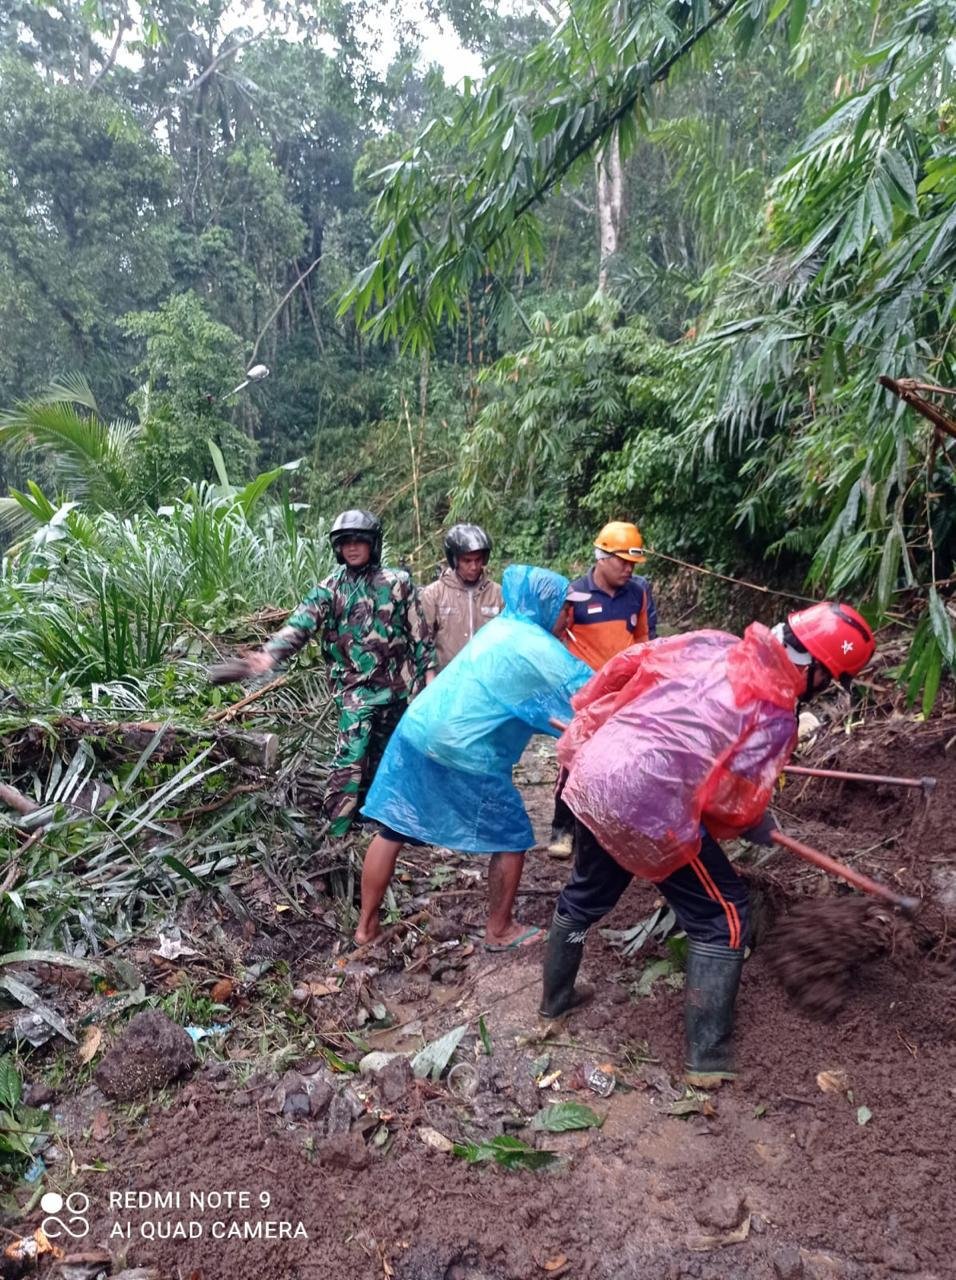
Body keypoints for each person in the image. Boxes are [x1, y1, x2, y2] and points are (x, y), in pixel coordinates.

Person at [540, 601, 876, 1086]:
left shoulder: (711, 643)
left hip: (596, 770)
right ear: (818, 671)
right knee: (724, 917)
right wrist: (754, 821)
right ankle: (707, 1060)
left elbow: (623, 667)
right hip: (648, 801)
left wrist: (594, 725)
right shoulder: (777, 713)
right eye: (831, 680)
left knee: (587, 892)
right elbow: (733, 806)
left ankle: (554, 1004)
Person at [355, 565, 593, 949]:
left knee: (393, 827)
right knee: (513, 836)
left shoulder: (501, 628)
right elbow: (589, 697)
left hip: (417, 730)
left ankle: (365, 929)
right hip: (463, 749)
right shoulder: (535, 647)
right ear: (546, 605)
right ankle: (500, 931)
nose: (571, 616)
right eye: (567, 607)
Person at [208, 509, 434, 840]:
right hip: (355, 690)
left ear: (373, 543)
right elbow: (299, 626)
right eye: (345, 543)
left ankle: (383, 824)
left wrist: (427, 677)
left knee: (387, 758)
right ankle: (336, 833)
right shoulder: (329, 589)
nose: (353, 548)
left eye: (359, 541)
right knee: (350, 758)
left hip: (398, 687)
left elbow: (420, 633)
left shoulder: (398, 584)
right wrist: (266, 657)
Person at [548, 520, 658, 858]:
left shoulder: (638, 593)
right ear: (602, 557)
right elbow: (555, 638)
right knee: (575, 760)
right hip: (585, 695)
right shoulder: (575, 595)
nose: (628, 569)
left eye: (632, 563)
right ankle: (562, 829)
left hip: (623, 694)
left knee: (620, 762)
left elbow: (643, 640)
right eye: (622, 561)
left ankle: (607, 831)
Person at [420, 523, 504, 677]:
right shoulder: (434, 594)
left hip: (486, 679)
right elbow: (423, 641)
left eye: (478, 560)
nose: (474, 566)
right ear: (455, 560)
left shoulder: (497, 594)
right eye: (467, 561)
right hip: (447, 680)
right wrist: (429, 678)